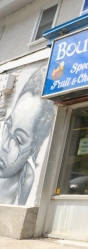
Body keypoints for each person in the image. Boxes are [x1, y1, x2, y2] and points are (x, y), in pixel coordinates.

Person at [0, 67, 55, 205]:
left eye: (18, 140)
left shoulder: (25, 181)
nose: (5, 146)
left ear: (33, 149)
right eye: (7, 126)